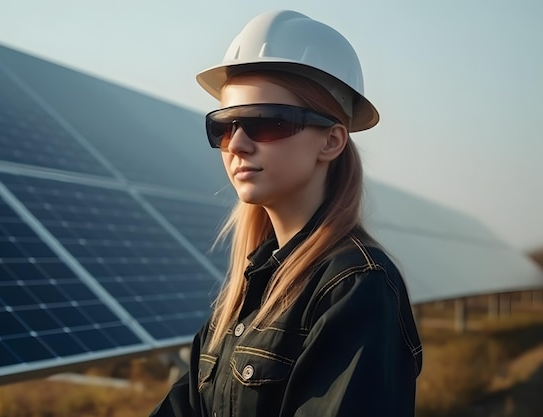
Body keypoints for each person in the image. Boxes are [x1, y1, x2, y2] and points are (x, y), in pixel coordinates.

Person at [151, 10, 422, 417]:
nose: (237, 144)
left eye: (267, 122)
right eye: (225, 125)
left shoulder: (356, 288)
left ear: (330, 141)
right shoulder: (249, 291)